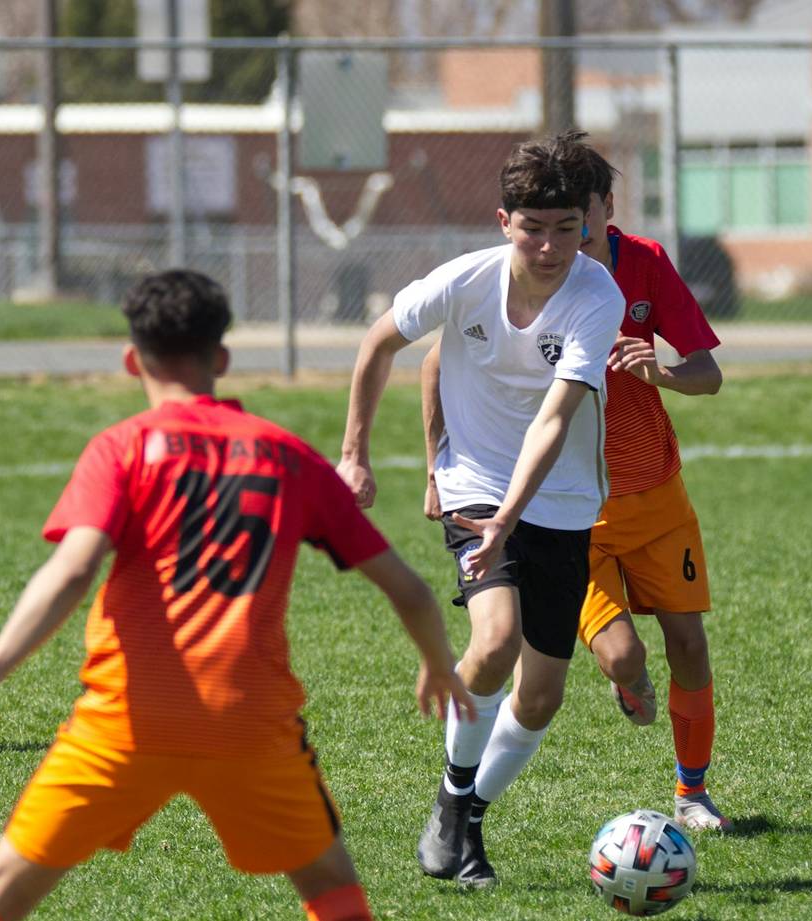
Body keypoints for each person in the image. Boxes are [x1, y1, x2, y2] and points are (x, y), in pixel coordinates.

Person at [0, 271, 469, 921]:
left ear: (133, 360)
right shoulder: (289, 457)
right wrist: (438, 662)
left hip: (127, 720)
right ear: (223, 358)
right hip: (249, 723)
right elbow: (410, 589)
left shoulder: (122, 448)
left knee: (0, 888)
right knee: (331, 886)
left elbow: (71, 572)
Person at [417, 135, 732, 830]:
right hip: (567, 510)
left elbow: (709, 373)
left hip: (656, 495)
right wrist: (437, 465)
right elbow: (437, 362)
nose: (564, 235)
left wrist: (661, 372)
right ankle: (465, 802)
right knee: (621, 655)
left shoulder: (641, 266)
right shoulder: (514, 275)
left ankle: (692, 791)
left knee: (689, 643)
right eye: (550, 220)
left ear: (605, 209)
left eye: (578, 216)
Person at [336, 132, 624, 889]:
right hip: (474, 484)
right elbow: (380, 345)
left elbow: (556, 417)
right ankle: (454, 806)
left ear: (586, 224)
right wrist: (357, 453)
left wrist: (514, 514)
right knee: (495, 641)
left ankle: (461, 814)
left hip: (560, 499)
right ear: (504, 221)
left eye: (567, 228)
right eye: (533, 228)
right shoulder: (464, 280)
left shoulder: (597, 296)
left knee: (543, 694)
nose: (551, 246)